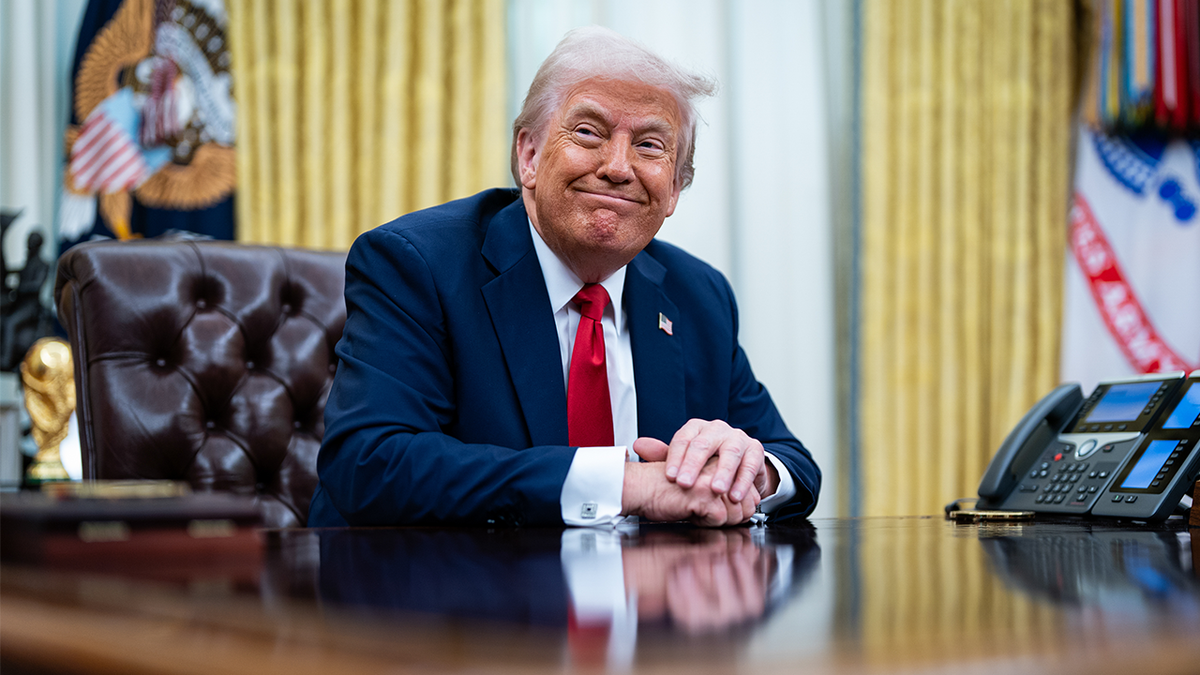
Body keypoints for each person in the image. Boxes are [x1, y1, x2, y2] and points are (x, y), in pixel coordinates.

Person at [308, 27, 820, 528]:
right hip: (445, 602)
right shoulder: (418, 265)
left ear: (674, 192)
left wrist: (747, 472)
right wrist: (625, 485)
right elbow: (370, 463)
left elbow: (793, 464)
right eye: (589, 132)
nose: (618, 168)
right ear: (528, 156)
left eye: (649, 146)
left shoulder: (698, 294)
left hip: (651, 603)